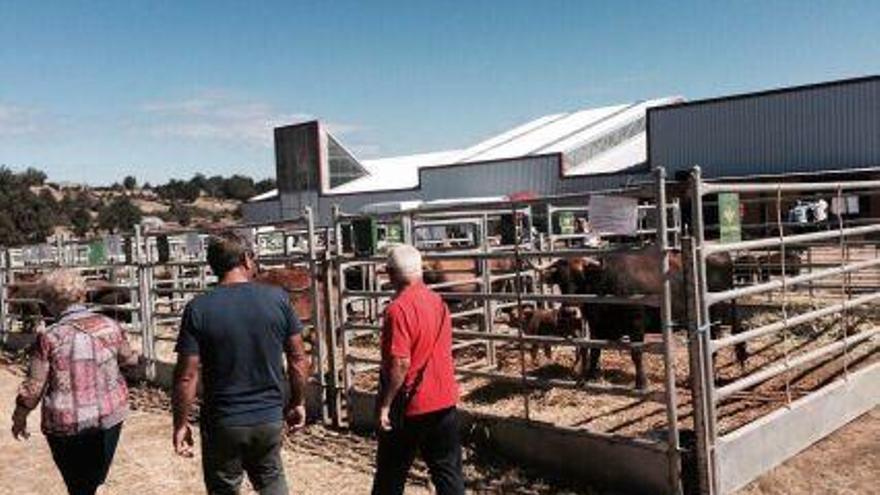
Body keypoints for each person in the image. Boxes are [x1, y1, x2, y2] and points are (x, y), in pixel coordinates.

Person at [172, 231, 310, 495]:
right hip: (268, 416)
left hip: (223, 421)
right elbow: (297, 357)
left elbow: (186, 376)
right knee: (272, 481)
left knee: (224, 487)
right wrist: (298, 401)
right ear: (247, 259)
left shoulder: (198, 308)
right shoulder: (277, 300)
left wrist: (180, 423)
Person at [11, 269, 139, 495]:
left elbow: (34, 386)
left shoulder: (49, 337)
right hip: (108, 416)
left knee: (77, 486)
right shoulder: (110, 326)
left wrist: (20, 416)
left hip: (65, 424)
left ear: (49, 302)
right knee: (95, 478)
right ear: (82, 295)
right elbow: (129, 361)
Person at [372, 244, 465, 495]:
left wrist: (385, 404)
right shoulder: (438, 302)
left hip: (411, 405)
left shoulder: (397, 309)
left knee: (390, 475)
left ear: (390, 274)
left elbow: (400, 363)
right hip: (444, 400)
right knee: (448, 473)